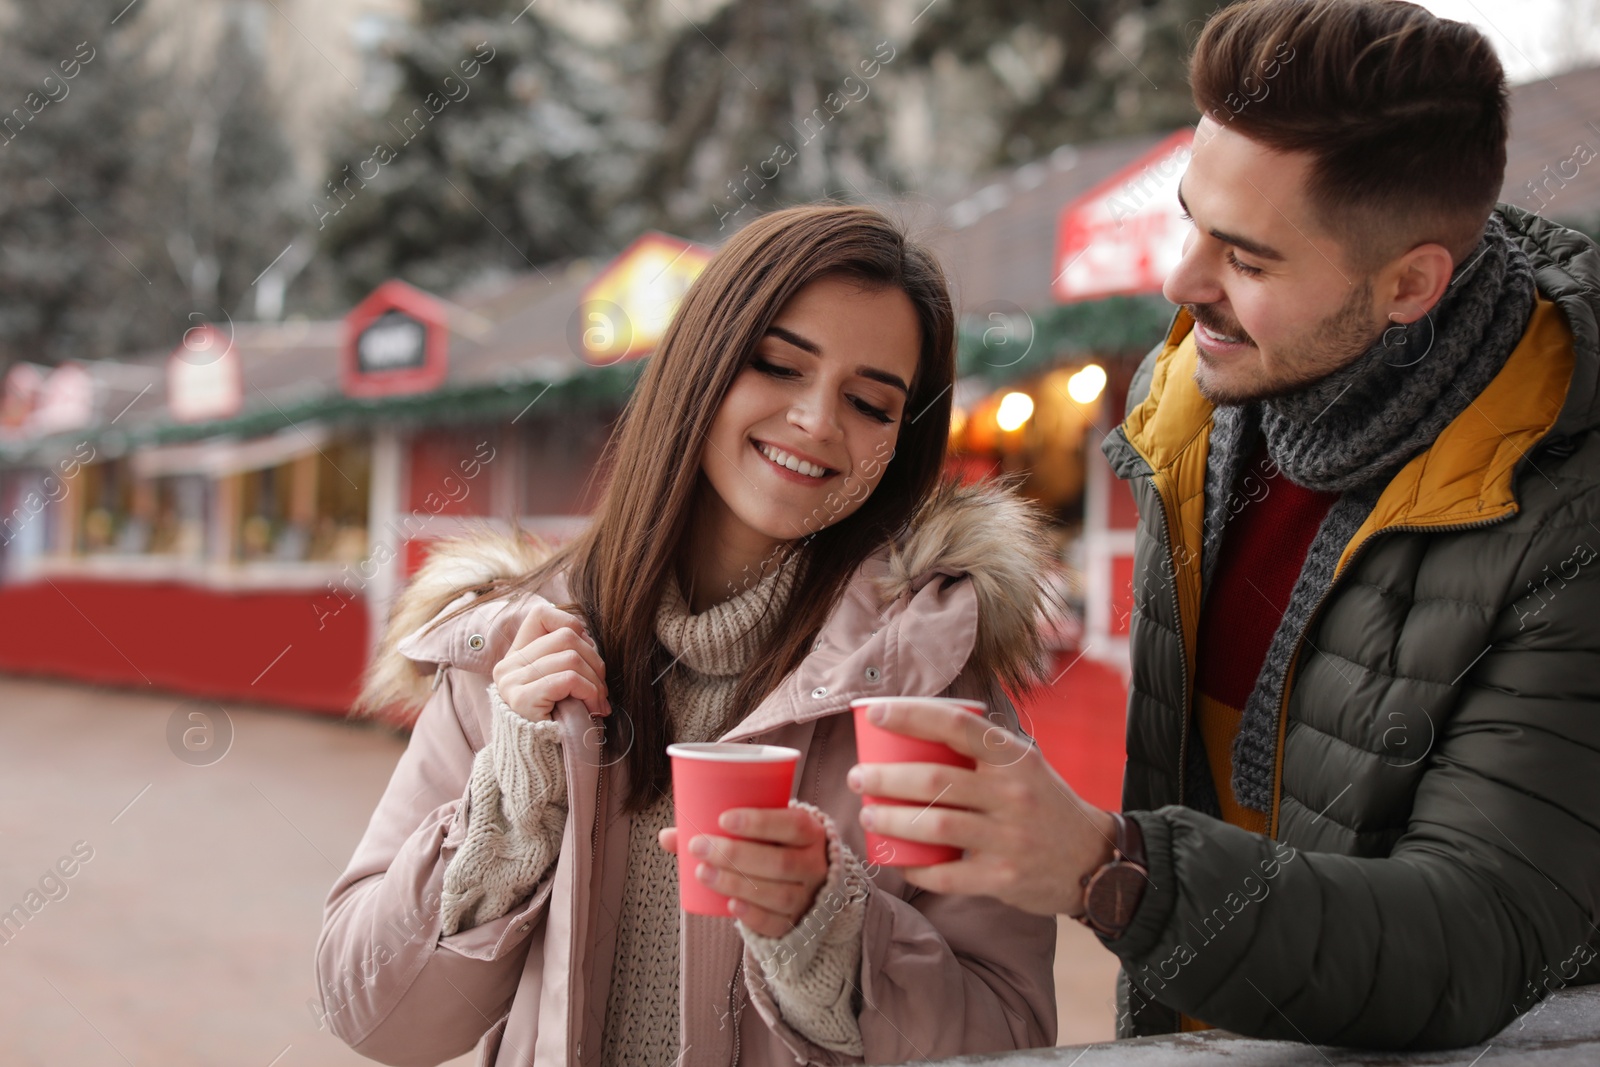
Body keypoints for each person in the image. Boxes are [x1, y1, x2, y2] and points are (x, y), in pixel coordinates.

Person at [846, 0, 1600, 1050]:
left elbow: (1475, 934)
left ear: (1410, 284)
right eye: (1189, 217)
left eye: (1245, 258)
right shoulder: (1189, 404)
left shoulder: (1570, 506)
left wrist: (1107, 867)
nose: (1179, 279)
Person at [315, 204, 1060, 1067]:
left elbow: (1003, 1041)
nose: (819, 420)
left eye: (868, 403)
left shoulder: (928, 689)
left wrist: (832, 931)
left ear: (900, 443)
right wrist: (514, 799)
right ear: (699, 366)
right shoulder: (515, 652)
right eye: (780, 364)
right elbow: (372, 1014)